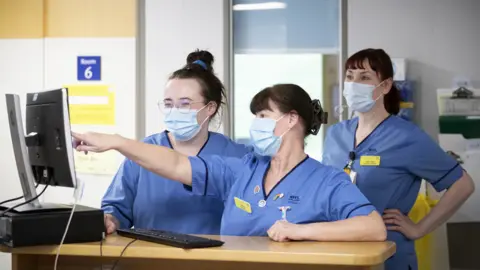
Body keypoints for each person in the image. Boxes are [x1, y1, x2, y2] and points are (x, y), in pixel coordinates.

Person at [73, 84, 387, 242]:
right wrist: (117, 141)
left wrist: (302, 231)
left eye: (264, 116)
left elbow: (373, 227)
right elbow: (175, 164)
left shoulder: (326, 180)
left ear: (292, 120)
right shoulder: (243, 168)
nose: (256, 124)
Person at [322, 48, 475, 270]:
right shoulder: (336, 134)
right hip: (339, 252)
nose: (354, 84)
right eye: (349, 76)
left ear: (385, 86)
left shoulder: (407, 137)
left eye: (365, 77)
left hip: (388, 256)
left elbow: (463, 184)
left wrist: (419, 229)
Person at [101, 49, 251, 235]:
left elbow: (253, 214)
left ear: (210, 107)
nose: (174, 111)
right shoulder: (143, 152)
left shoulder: (236, 155)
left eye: (185, 104)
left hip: (213, 260)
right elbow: (116, 209)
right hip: (150, 258)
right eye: (169, 104)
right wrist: (110, 219)